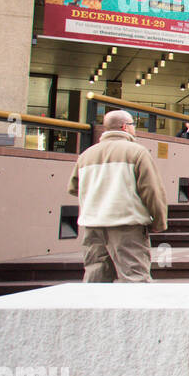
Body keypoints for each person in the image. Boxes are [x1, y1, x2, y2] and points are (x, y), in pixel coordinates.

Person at [66, 109, 168, 282]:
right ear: (125, 127)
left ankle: (93, 309)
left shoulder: (86, 155)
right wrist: (159, 221)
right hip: (126, 224)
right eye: (133, 125)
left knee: (95, 277)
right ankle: (134, 310)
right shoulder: (137, 152)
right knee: (135, 277)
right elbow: (151, 191)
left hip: (93, 225)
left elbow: (73, 188)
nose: (134, 129)